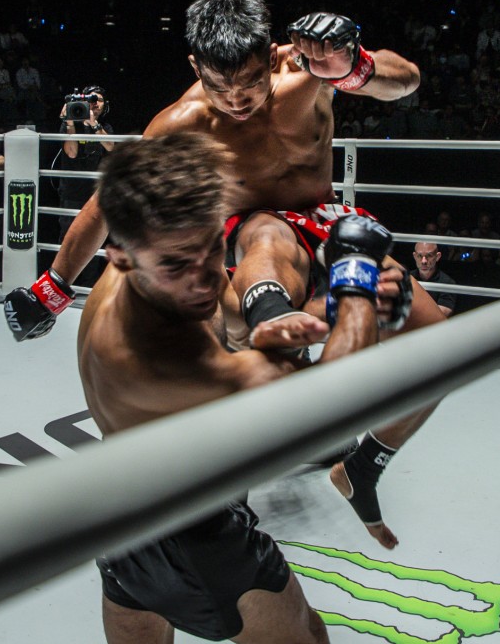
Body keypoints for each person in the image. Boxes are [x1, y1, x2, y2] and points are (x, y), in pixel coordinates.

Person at [10, 0, 446, 549]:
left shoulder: (311, 68)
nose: (237, 99)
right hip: (248, 238)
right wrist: (54, 286)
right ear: (196, 68)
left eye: (248, 81)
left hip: (326, 220)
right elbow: (110, 201)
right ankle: (230, 473)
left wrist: (356, 65)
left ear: (271, 55)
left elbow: (405, 80)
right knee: (261, 253)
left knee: (434, 340)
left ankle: (361, 468)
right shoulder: (183, 121)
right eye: (221, 86)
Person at [71, 132, 401, 643]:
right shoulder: (144, 354)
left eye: (211, 251)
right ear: (119, 254)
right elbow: (332, 403)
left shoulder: (163, 267)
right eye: (178, 265)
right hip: (196, 531)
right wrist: (357, 286)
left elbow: (237, 322)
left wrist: (319, 309)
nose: (204, 280)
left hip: (116, 508)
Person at [54, 85, 114, 286]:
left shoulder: (105, 127)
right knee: (68, 242)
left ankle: (89, 288)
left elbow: (111, 147)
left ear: (105, 106)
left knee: (94, 242)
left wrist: (94, 124)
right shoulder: (70, 124)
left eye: (98, 101)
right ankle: (65, 286)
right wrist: (70, 123)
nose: (94, 104)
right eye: (91, 100)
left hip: (96, 195)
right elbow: (71, 152)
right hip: (72, 191)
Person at [409, 241, 456, 316]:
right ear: (414, 256)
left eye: (429, 256)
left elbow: (442, 314)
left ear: (438, 256)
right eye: (419, 256)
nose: (424, 261)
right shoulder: (406, 278)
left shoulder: (447, 283)